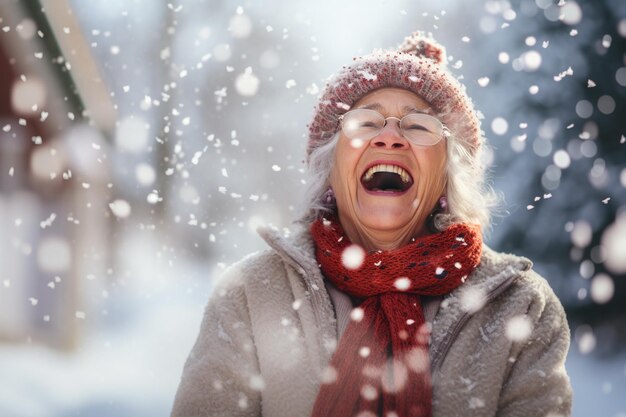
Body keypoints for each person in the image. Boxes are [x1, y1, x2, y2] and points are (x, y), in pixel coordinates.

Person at [171, 32, 572, 417]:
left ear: (448, 176)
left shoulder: (521, 306)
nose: (391, 137)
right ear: (330, 168)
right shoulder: (251, 295)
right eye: (365, 123)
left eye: (418, 126)